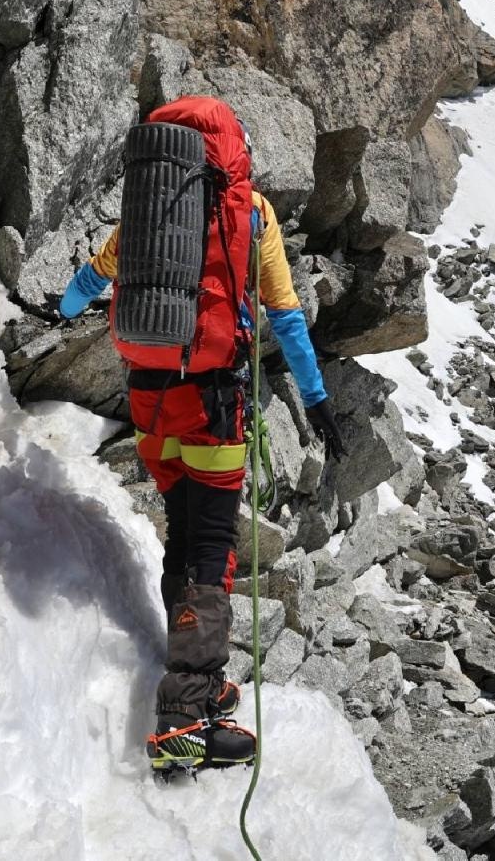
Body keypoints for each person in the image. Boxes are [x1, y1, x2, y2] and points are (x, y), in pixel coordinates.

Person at [57, 95, 344, 772]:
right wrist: (317, 398)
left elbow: (94, 276)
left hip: (152, 403)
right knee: (211, 551)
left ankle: (188, 672)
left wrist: (61, 307)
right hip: (214, 404)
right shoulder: (251, 212)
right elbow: (288, 316)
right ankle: (185, 718)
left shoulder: (154, 208)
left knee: (185, 534)